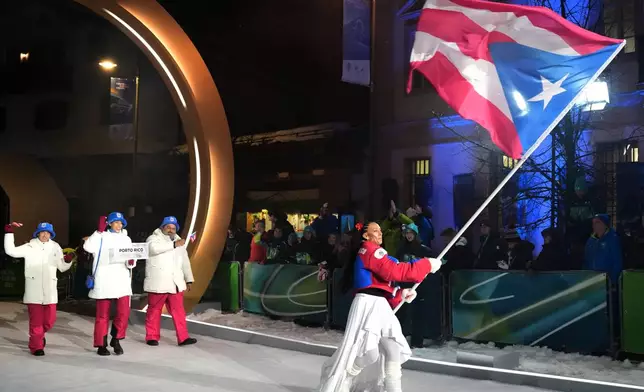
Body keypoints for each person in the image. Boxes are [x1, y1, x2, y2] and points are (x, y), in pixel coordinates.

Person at [317, 222, 441, 392]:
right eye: (375, 231)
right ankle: (347, 376)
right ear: (366, 236)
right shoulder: (369, 250)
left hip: (379, 304)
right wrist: (426, 265)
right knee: (368, 352)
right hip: (368, 304)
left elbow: (383, 285)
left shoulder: (377, 253)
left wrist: (400, 293)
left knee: (393, 349)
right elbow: (394, 271)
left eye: (380, 231)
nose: (380, 234)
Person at [4, 221, 74, 356]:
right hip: (33, 289)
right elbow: (10, 251)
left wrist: (67, 260)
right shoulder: (30, 246)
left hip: (50, 291)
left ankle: (39, 336)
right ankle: (36, 346)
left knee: (50, 320)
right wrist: (9, 233)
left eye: (48, 233)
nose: (45, 235)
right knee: (36, 322)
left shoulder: (55, 247)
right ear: (38, 233)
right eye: (42, 232)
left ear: (51, 234)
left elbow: (62, 267)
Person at [83, 212, 136, 356]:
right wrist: (98, 231)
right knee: (102, 315)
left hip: (121, 280)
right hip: (104, 279)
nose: (119, 225)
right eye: (116, 222)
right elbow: (88, 247)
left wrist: (131, 262)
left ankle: (116, 339)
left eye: (121, 223)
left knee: (124, 313)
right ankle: (101, 344)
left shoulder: (126, 238)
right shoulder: (101, 236)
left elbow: (131, 257)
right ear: (109, 223)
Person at [144, 216, 197, 347]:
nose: (171, 230)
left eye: (173, 228)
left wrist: (189, 279)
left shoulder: (179, 242)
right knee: (154, 310)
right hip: (159, 283)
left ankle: (183, 337)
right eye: (168, 227)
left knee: (179, 312)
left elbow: (185, 262)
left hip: (175, 283)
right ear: (162, 227)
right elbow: (153, 249)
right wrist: (173, 245)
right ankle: (152, 336)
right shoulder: (153, 239)